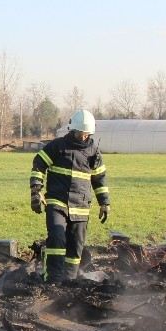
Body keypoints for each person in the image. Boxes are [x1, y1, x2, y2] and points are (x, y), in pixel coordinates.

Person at [29, 109, 110, 283]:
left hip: (81, 207)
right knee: (57, 238)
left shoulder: (94, 152)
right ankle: (52, 280)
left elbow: (99, 179)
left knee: (76, 247)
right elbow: (39, 164)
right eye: (80, 132)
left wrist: (104, 203)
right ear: (72, 130)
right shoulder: (57, 146)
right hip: (57, 203)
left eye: (86, 133)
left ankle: (69, 282)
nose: (83, 136)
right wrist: (36, 190)